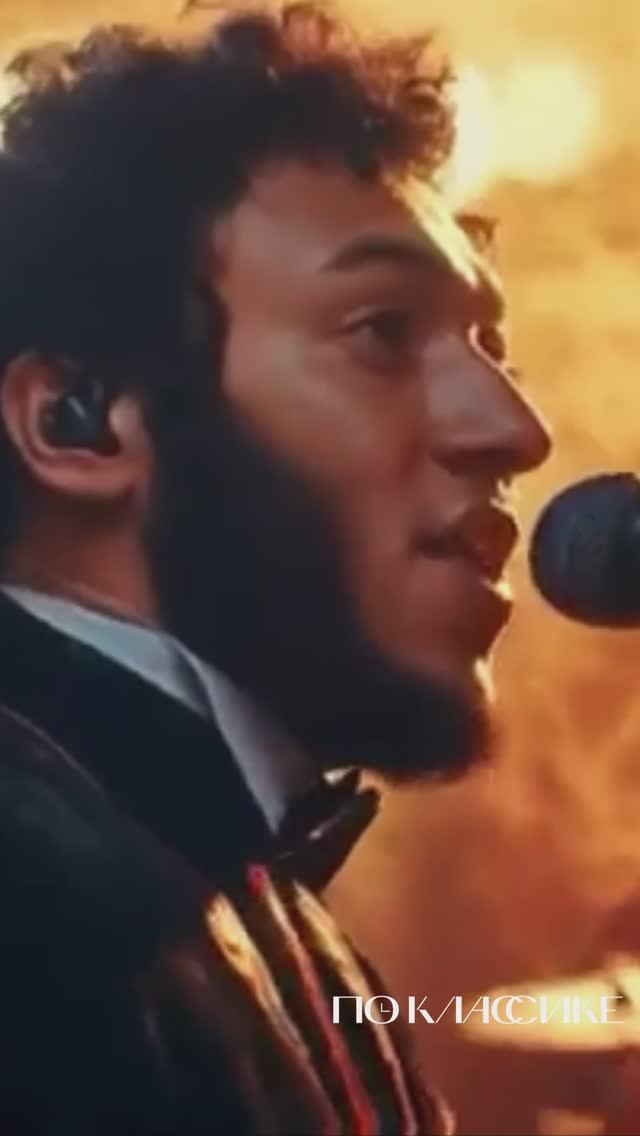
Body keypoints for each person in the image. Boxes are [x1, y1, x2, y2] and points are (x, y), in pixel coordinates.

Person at [0, 4, 551, 1133]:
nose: (513, 428)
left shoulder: (235, 888)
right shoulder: (41, 916)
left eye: (491, 347)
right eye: (382, 330)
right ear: (78, 419)